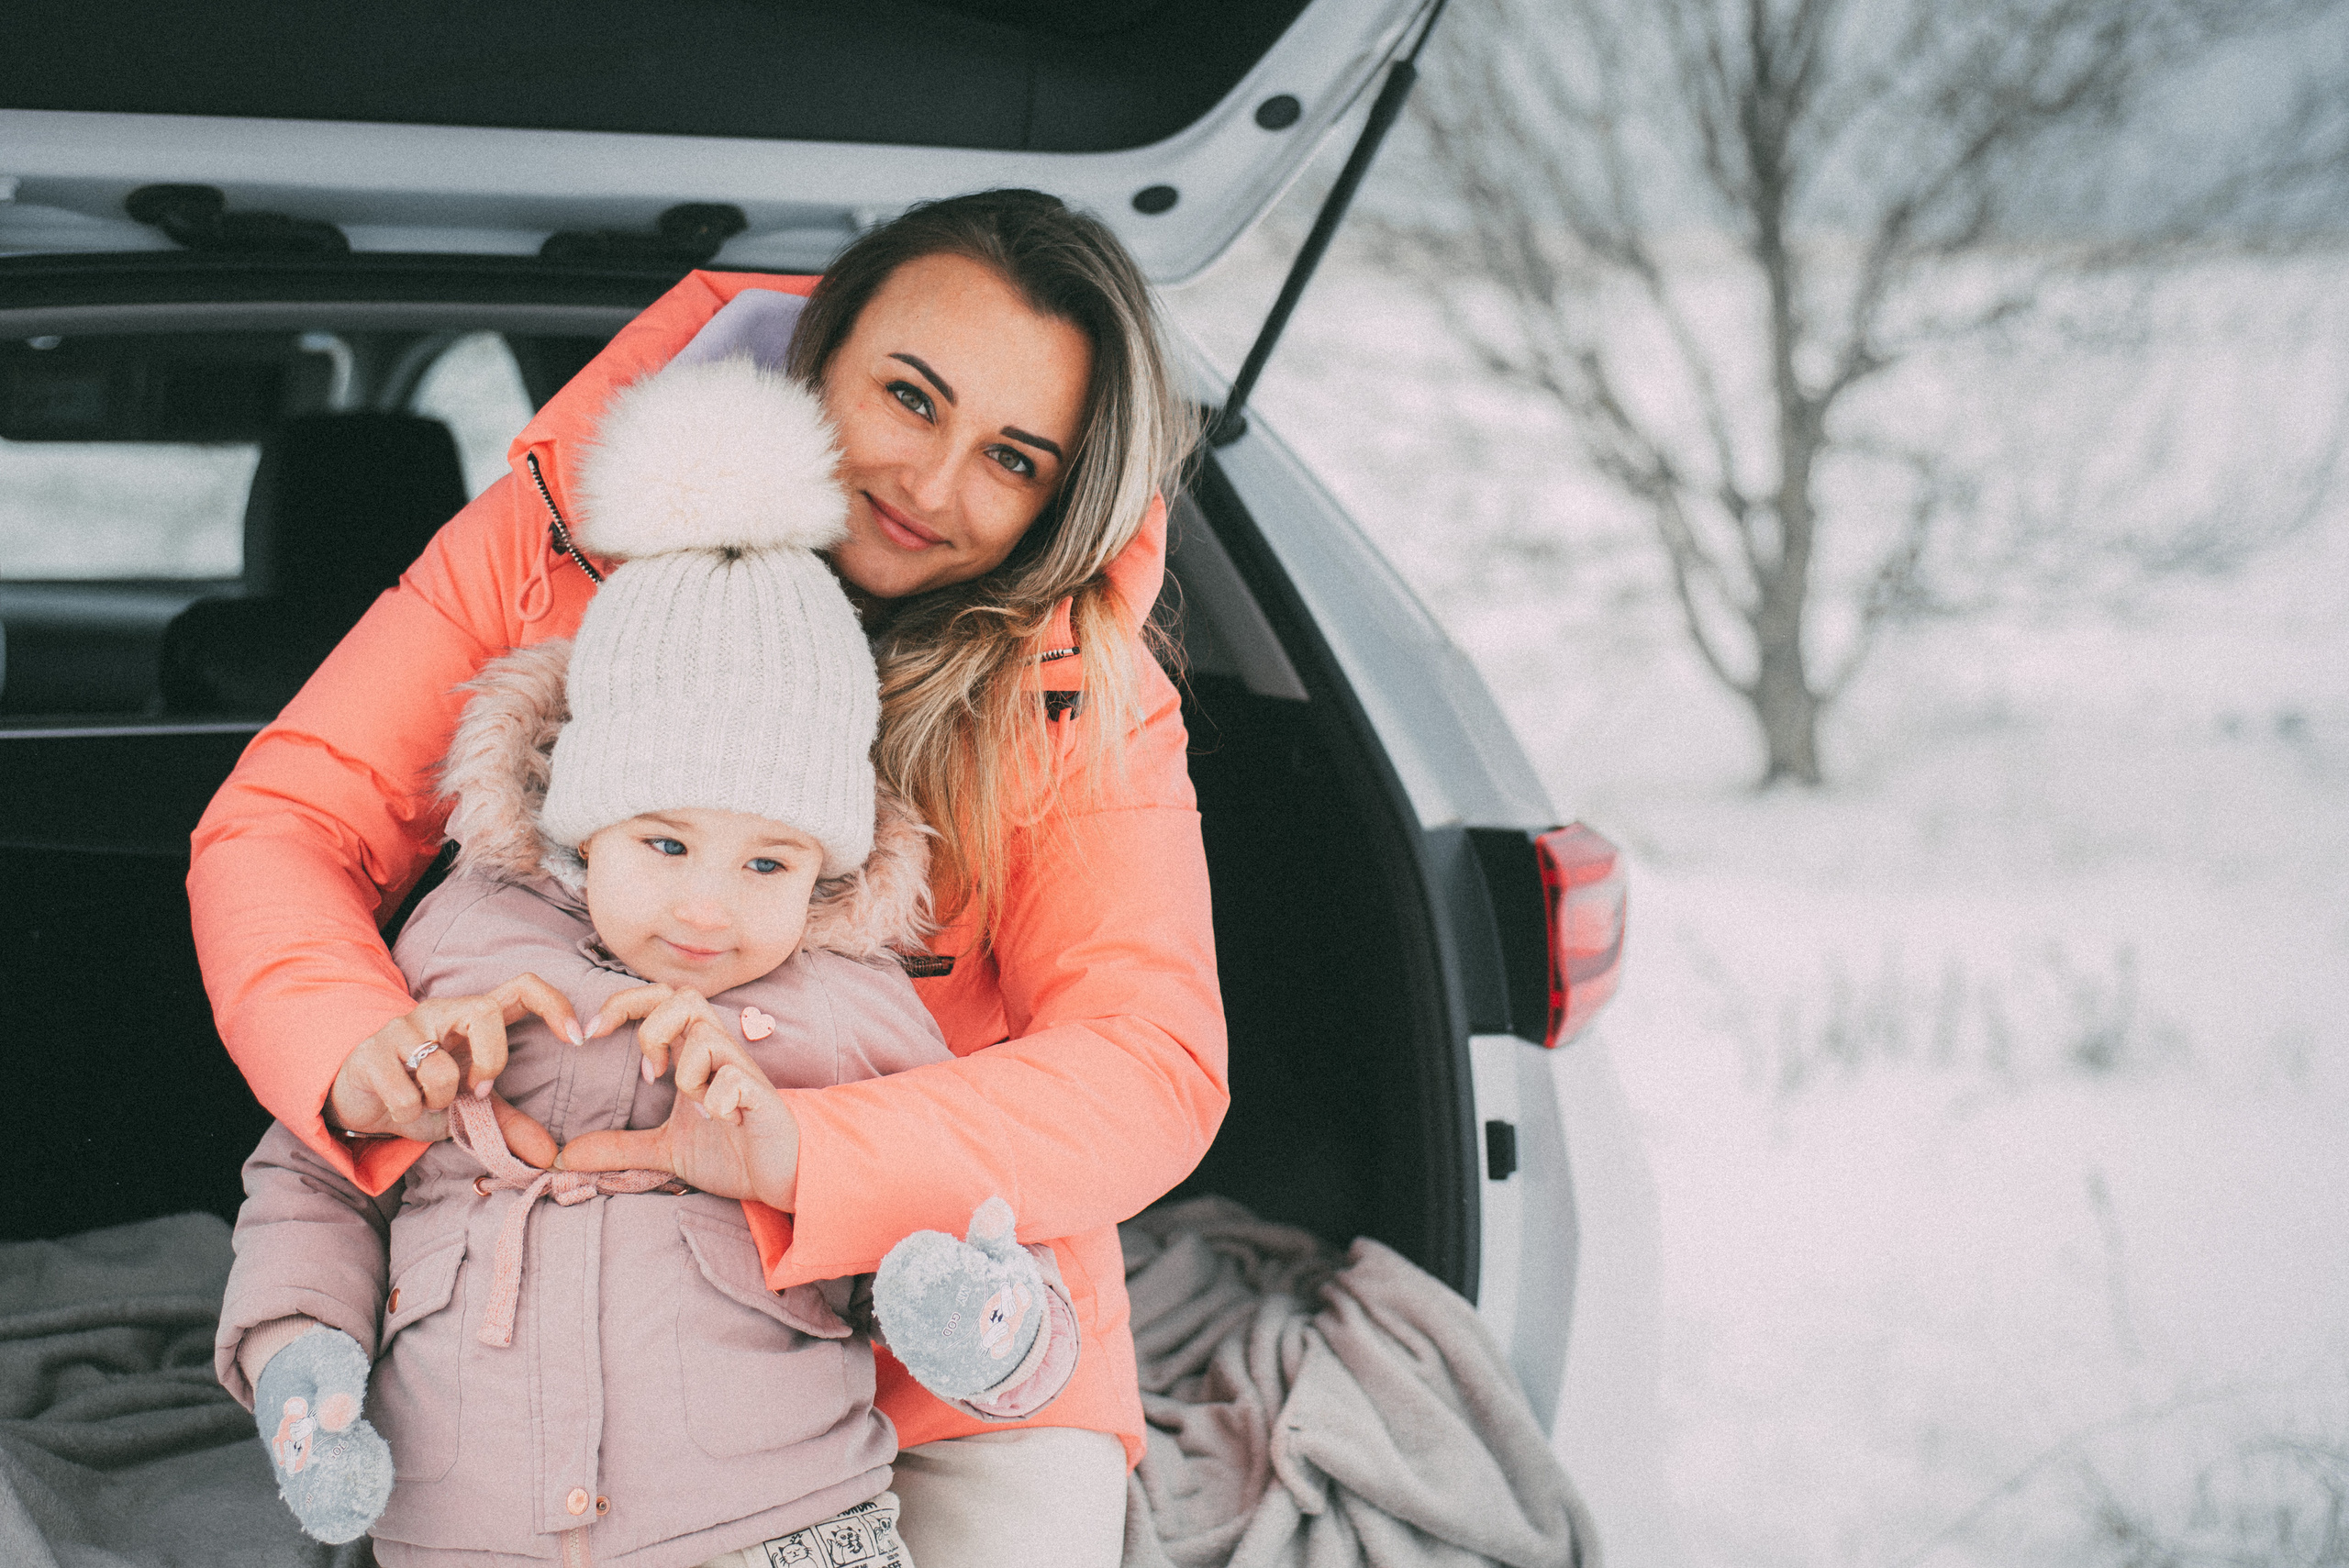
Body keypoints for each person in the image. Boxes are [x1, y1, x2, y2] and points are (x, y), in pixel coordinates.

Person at [188, 189, 1223, 1568]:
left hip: (952, 1304)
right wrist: (354, 1053)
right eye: (910, 397)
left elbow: (1150, 1062)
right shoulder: (556, 541)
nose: (932, 484)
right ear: (817, 352)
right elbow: (285, 825)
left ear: (1063, 496)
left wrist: (811, 1157)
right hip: (529, 1308)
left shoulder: (1080, 688)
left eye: (1013, 458)